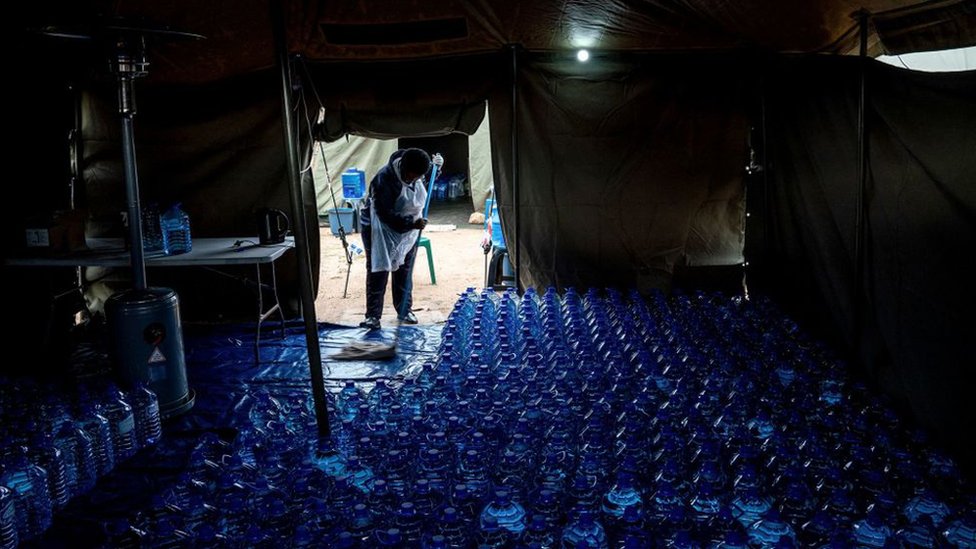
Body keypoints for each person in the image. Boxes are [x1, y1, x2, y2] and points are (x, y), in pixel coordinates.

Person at [358, 148, 437, 330]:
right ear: (403, 167)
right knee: (379, 270)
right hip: (379, 229)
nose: (414, 180)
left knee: (404, 270)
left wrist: (436, 170)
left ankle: (404, 310)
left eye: (418, 177)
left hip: (409, 231)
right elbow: (384, 214)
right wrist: (411, 223)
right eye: (411, 176)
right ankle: (372, 316)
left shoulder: (418, 172)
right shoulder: (383, 180)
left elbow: (428, 178)